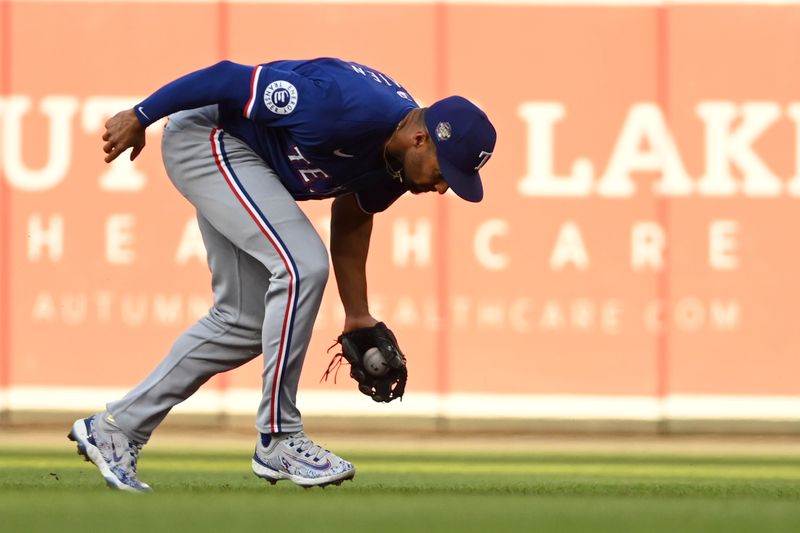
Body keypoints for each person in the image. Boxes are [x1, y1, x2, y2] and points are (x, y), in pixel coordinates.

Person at [67, 57, 496, 492]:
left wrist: (358, 314)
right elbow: (226, 77)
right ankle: (279, 436)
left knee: (245, 321)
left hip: (248, 164)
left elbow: (351, 217)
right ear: (421, 138)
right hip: (209, 137)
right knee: (301, 265)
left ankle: (118, 428)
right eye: (445, 173)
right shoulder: (343, 107)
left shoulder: (399, 162)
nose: (442, 188)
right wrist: (141, 115)